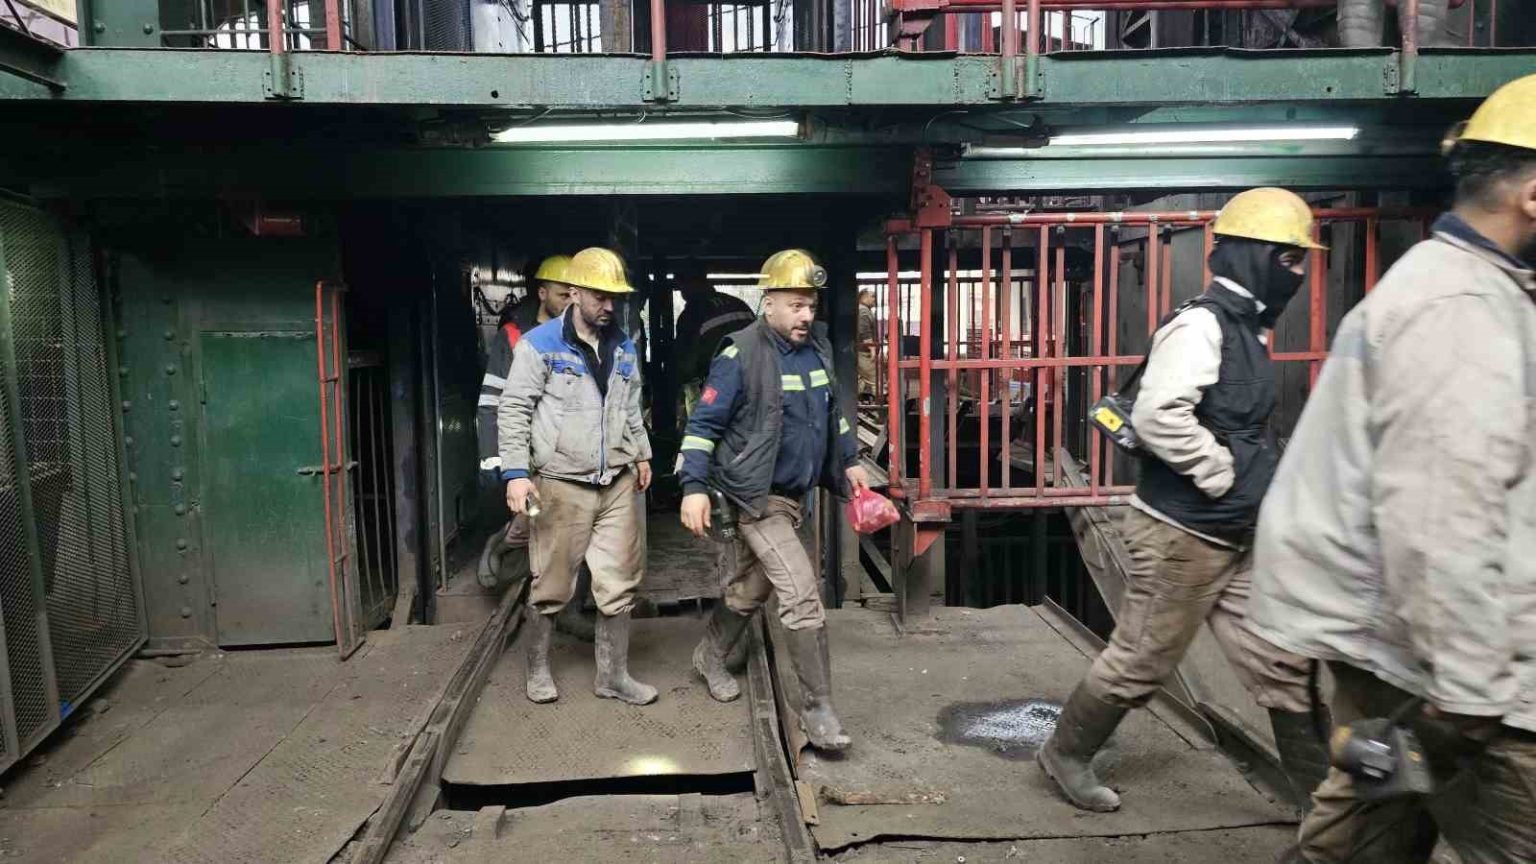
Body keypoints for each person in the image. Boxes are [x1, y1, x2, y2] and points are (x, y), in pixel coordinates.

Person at [1248, 74, 1536, 864]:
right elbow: (1444, 520)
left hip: (1411, 655)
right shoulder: (1459, 311)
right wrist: (1471, 699)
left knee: (1357, 843)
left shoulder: (1478, 295)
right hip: (1460, 677)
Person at [1037, 187, 1329, 813]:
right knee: (1142, 660)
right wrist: (1220, 473)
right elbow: (1159, 414)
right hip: (1182, 534)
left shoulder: (1248, 327)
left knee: (1283, 664)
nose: (1299, 273)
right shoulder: (1202, 326)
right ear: (1253, 256)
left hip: (1238, 535)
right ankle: (1065, 753)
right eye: (1289, 259)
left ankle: (1324, 809)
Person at [676, 249, 870, 752]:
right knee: (801, 593)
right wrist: (693, 487)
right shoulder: (739, 354)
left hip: (795, 496)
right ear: (769, 304)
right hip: (755, 497)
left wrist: (849, 461)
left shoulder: (817, 349)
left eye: (811, 305)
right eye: (796, 305)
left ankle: (709, 655)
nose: (806, 315)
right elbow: (703, 426)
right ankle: (819, 710)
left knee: (752, 589)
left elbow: (833, 414)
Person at [499, 247, 656, 706]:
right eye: (600, 297)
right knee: (551, 584)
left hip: (617, 482)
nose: (609, 306)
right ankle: (537, 670)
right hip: (561, 482)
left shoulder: (623, 345)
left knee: (619, 581)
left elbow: (630, 405)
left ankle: (613, 677)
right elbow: (514, 409)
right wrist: (516, 474)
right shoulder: (540, 345)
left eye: (614, 298)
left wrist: (642, 454)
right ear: (575, 292)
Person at [477, 254, 574, 489]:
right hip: (528, 458)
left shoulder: (583, 338)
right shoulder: (514, 335)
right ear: (542, 293)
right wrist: (492, 457)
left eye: (575, 295)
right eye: (563, 296)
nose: (570, 303)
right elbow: (492, 400)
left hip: (574, 462)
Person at [673, 258, 756, 417]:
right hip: (754, 382)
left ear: (689, 284)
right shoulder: (738, 303)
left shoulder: (692, 314)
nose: (682, 293)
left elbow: (687, 365)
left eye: (682, 286)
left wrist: (675, 386)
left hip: (721, 389)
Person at [856, 287, 878, 400]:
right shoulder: (863, 311)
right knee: (876, 379)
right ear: (863, 297)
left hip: (862, 350)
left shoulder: (863, 309)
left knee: (863, 379)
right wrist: (872, 349)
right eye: (872, 296)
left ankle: (862, 401)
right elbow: (865, 331)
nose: (875, 299)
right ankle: (880, 403)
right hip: (864, 352)